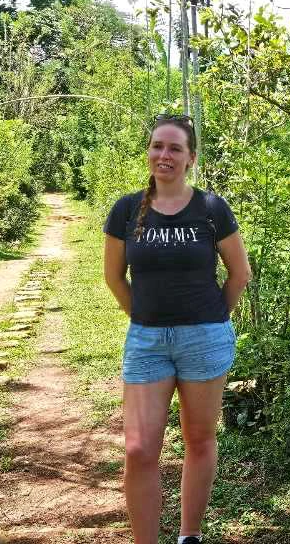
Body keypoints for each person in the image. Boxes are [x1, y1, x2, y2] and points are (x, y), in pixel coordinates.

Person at [102, 114, 251, 544]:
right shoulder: (127, 209)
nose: (164, 155)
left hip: (204, 339)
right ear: (148, 151)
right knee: (138, 450)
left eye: (174, 149)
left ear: (190, 159)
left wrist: (212, 319)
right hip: (147, 341)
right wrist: (144, 316)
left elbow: (239, 273)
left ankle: (190, 535)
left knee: (199, 440)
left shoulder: (210, 208)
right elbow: (114, 278)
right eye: (157, 146)